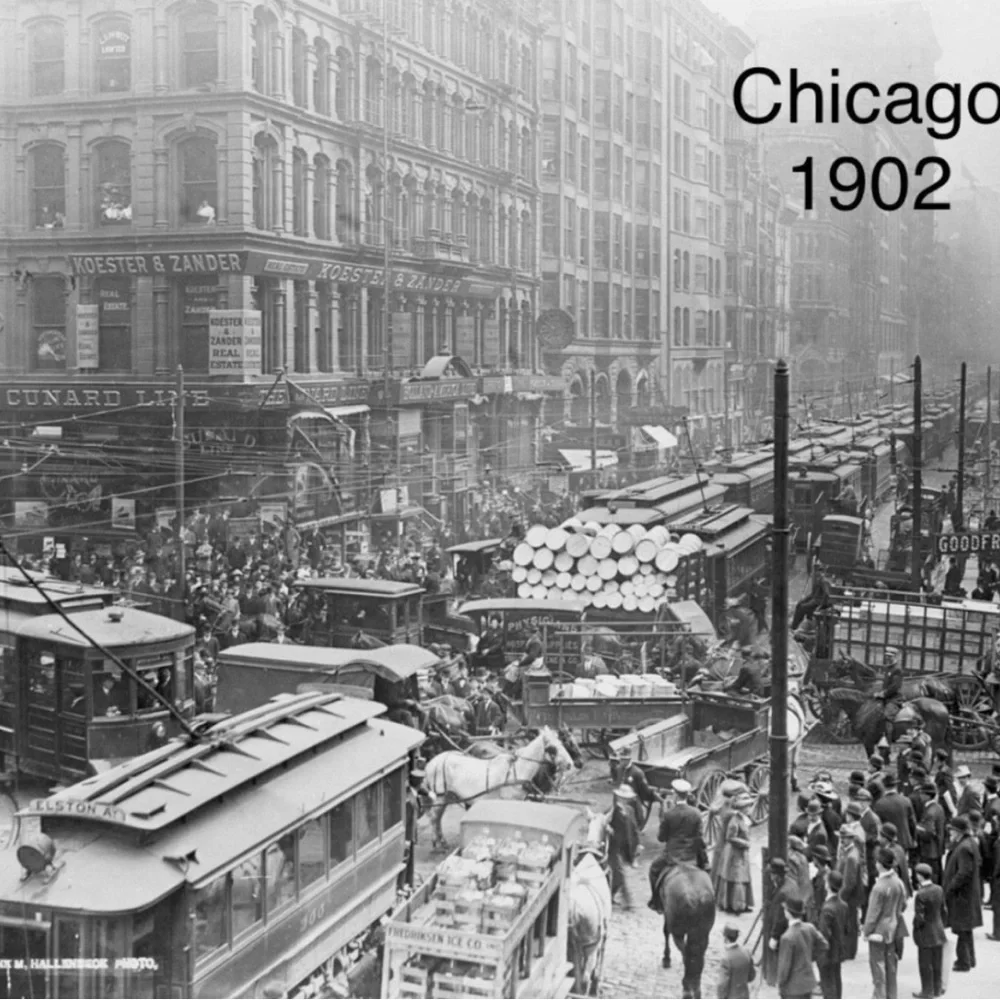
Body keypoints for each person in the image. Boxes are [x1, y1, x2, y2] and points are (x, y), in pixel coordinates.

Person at [647, 778, 708, 912]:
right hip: (692, 855)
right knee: (707, 870)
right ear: (687, 795)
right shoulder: (696, 813)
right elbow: (699, 837)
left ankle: (656, 902)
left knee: (653, 870)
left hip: (673, 856)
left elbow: (661, 838)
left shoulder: (669, 814)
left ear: (675, 795)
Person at [863, 847, 906, 1000]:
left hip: (878, 931)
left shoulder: (879, 887)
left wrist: (866, 931)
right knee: (891, 967)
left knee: (878, 967)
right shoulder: (898, 882)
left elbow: (872, 914)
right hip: (893, 928)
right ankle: (891, 995)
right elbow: (904, 903)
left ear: (880, 864)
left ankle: (879, 997)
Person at [943, 813, 982, 973]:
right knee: (966, 929)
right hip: (967, 895)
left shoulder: (964, 847)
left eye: (952, 831)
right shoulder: (967, 844)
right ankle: (970, 959)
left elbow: (964, 873)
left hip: (962, 896)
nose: (950, 834)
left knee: (962, 928)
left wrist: (950, 888)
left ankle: (963, 961)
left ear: (959, 831)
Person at [776, 896, 827, 1000]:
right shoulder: (810, 927)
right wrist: (810, 957)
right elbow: (824, 945)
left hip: (792, 987)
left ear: (788, 913)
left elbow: (784, 967)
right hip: (808, 982)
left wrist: (780, 984)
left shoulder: (786, 937)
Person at [715, 791, 754, 915]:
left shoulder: (744, 819)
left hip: (741, 852)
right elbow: (730, 837)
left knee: (742, 876)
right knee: (736, 876)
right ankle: (733, 904)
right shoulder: (734, 820)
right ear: (741, 808)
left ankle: (742, 903)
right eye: (746, 806)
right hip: (734, 853)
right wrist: (744, 843)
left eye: (749, 806)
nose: (749, 809)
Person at [912, 862, 946, 999]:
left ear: (920, 876)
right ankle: (937, 989)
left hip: (926, 933)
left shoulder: (920, 894)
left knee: (925, 965)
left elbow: (920, 918)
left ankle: (927, 991)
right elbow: (943, 910)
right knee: (937, 963)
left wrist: (915, 927)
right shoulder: (939, 889)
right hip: (938, 930)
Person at [611, 746, 662, 832]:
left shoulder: (637, 773)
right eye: (621, 759)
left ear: (628, 759)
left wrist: (653, 795)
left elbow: (644, 790)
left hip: (633, 801)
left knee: (638, 819)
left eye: (623, 759)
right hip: (619, 798)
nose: (621, 761)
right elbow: (617, 781)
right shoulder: (619, 768)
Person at [835, 821, 867, 962]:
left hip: (849, 897)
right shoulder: (849, 852)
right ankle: (848, 950)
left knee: (849, 924)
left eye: (844, 837)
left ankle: (849, 951)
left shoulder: (851, 857)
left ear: (851, 839)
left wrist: (840, 897)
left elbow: (849, 882)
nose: (842, 840)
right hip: (849, 896)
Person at [763, 858, 796, 987]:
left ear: (776, 875)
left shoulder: (782, 892)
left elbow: (779, 918)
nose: (771, 877)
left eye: (772, 874)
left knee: (783, 963)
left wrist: (774, 937)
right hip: (792, 928)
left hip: (784, 933)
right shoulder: (790, 883)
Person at [817, 869, 848, 999]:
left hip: (827, 953)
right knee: (836, 980)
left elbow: (824, 933)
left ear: (828, 885)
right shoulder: (843, 905)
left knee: (828, 984)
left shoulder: (827, 908)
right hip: (838, 949)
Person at [607, 785, 639, 909]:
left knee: (620, 874)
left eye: (626, 798)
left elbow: (634, 828)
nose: (624, 800)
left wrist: (638, 843)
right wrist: (608, 829)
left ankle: (611, 896)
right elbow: (602, 821)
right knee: (620, 873)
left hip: (627, 847)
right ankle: (628, 902)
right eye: (622, 798)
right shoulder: (612, 811)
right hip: (614, 847)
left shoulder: (630, 810)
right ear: (618, 797)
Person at [916, 781, 947, 885]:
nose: (920, 795)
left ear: (928, 796)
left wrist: (917, 828)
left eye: (922, 793)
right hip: (938, 847)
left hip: (929, 849)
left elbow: (927, 833)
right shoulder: (939, 808)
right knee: (938, 872)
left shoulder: (930, 812)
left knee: (931, 875)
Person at [716, 923, 755, 999]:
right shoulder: (746, 952)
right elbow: (751, 976)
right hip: (745, 996)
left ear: (725, 938)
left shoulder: (726, 959)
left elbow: (722, 985)